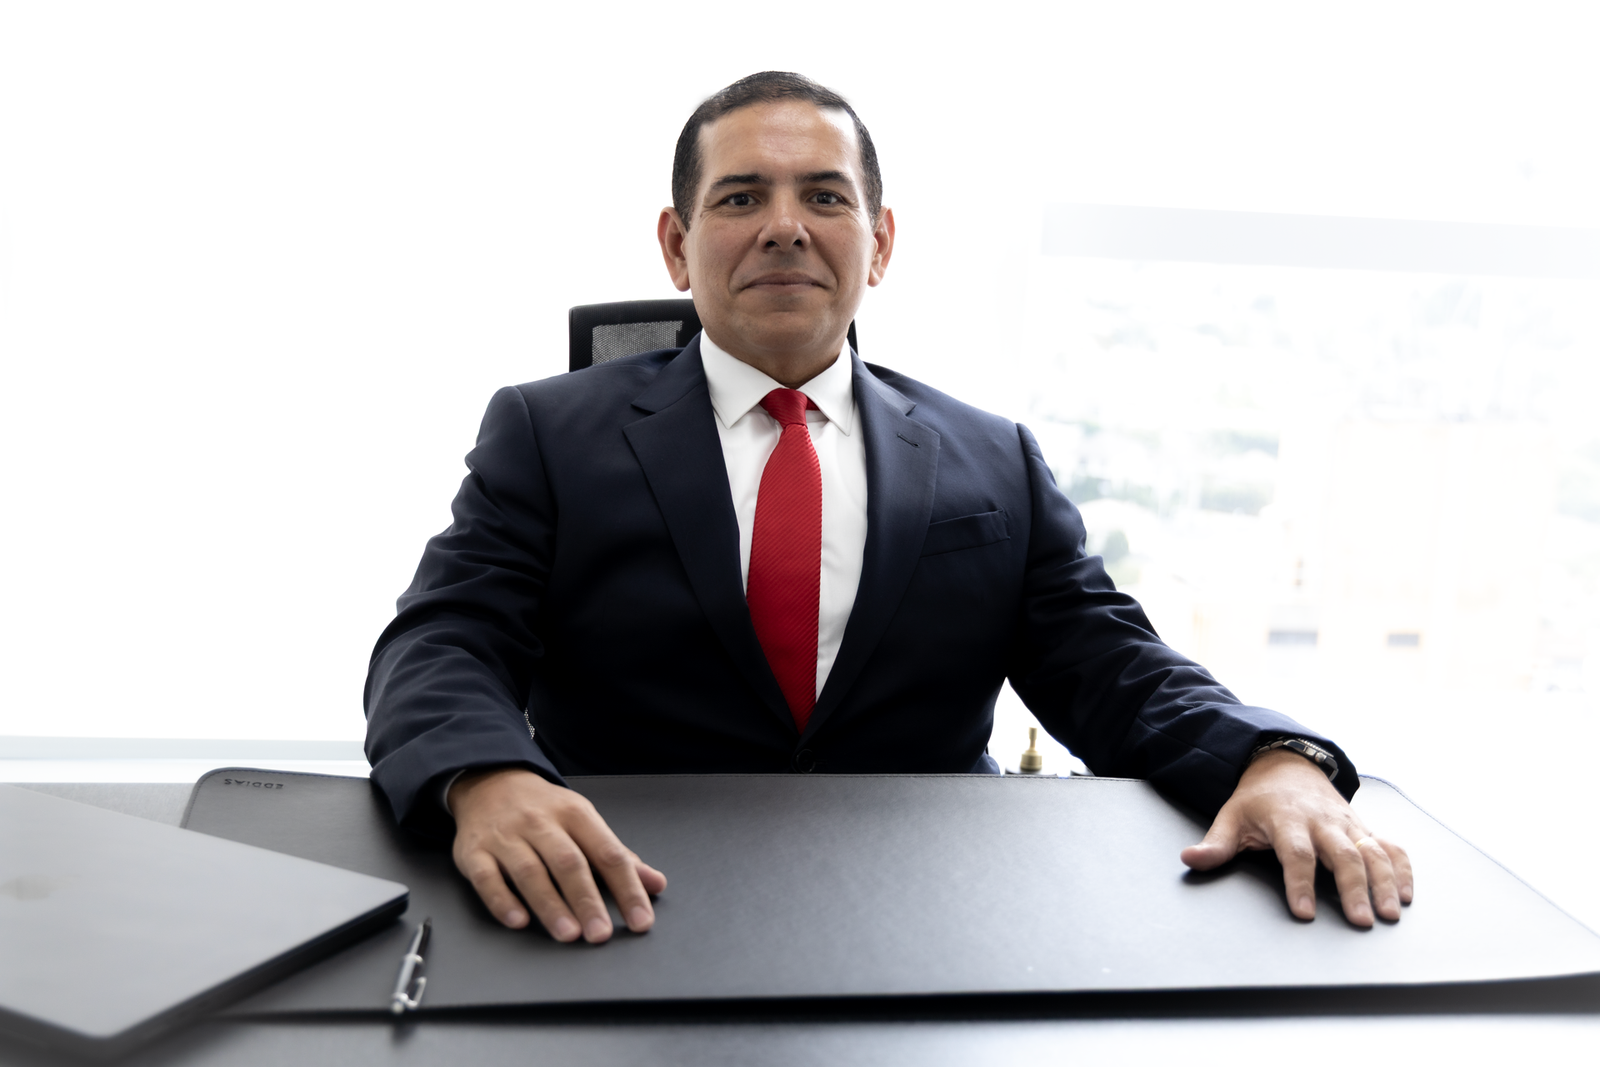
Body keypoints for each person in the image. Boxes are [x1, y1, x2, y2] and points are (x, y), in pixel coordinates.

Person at [364, 71, 1413, 948]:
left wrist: (1273, 759)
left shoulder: (993, 456)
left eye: (824, 196)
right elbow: (445, 638)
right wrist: (484, 774)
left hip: (926, 912)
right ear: (677, 246)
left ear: (879, 243)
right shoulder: (546, 433)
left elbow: (1110, 665)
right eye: (741, 198)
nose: (784, 227)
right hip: (618, 896)